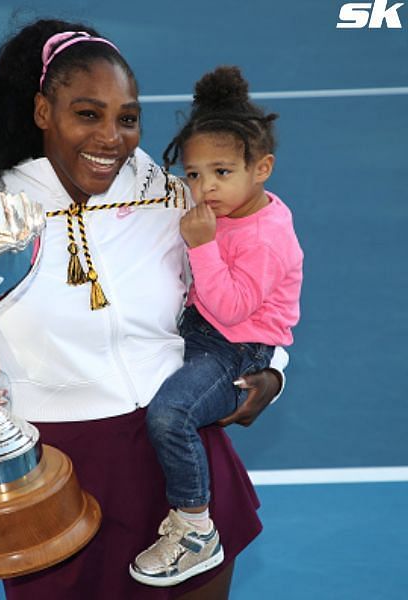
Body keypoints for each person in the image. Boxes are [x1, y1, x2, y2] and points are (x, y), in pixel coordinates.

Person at [0, 21, 285, 599]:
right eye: (87, 114)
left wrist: (273, 373)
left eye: (127, 118)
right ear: (44, 112)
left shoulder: (170, 198)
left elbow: (252, 289)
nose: (112, 138)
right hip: (58, 483)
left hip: (181, 469)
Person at [129, 66, 303, 587]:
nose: (204, 189)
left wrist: (203, 246)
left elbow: (230, 309)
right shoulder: (223, 210)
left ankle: (195, 528)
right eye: (195, 173)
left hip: (235, 348)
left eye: (222, 173)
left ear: (262, 168)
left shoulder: (265, 237)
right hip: (200, 330)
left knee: (170, 412)